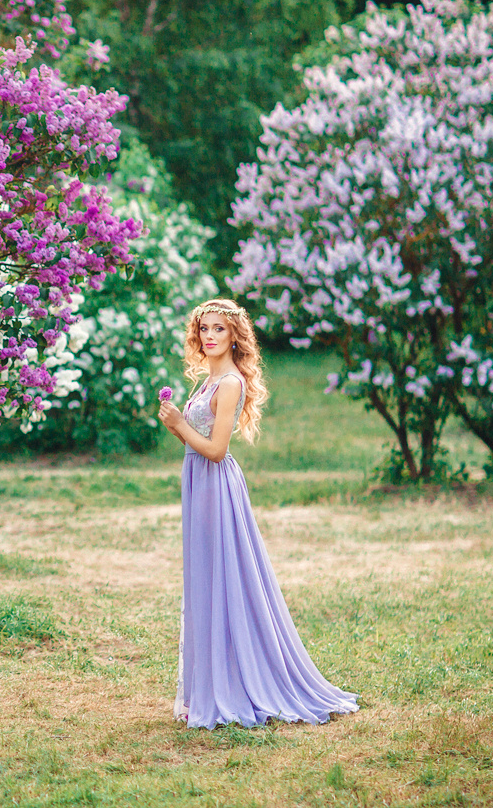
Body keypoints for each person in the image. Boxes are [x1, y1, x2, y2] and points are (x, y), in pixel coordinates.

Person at [156, 298, 359, 729]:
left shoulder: (229, 383)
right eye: (204, 328)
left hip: (216, 486)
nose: (210, 336)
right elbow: (197, 443)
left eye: (219, 329)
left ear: (234, 337)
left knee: (226, 578)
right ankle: (210, 682)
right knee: (206, 578)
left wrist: (178, 424)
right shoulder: (205, 382)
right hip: (198, 484)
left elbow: (216, 450)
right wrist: (178, 426)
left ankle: (238, 682)